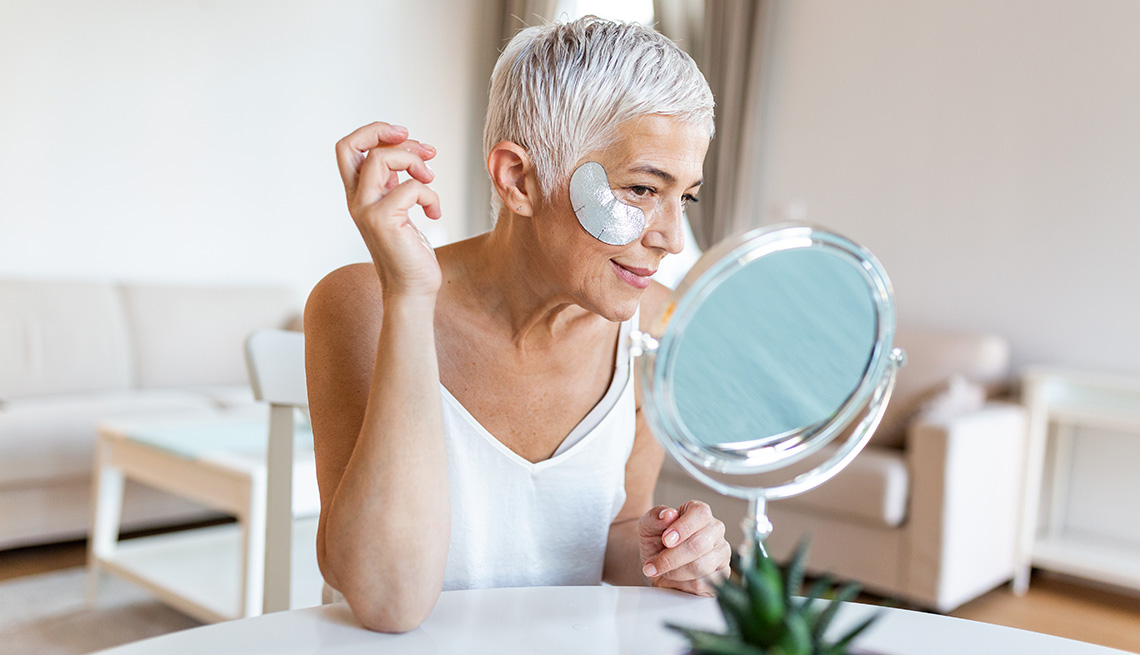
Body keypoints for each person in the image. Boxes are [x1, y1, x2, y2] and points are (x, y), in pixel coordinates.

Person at [304, 16, 731, 633]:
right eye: (641, 189)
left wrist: (668, 554)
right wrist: (408, 297)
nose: (670, 238)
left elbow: (608, 534)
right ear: (519, 179)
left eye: (684, 197)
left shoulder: (655, 332)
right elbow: (387, 600)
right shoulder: (364, 303)